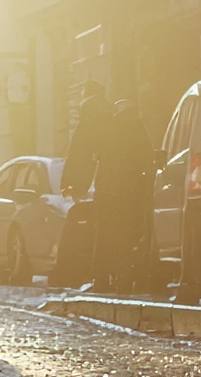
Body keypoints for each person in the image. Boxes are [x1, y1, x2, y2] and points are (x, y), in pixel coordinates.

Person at [63, 82, 152, 293]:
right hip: (132, 188)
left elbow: (80, 152)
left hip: (109, 185)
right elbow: (147, 156)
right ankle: (125, 277)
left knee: (105, 232)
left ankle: (103, 279)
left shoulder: (97, 122)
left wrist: (73, 183)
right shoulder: (133, 124)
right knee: (127, 232)